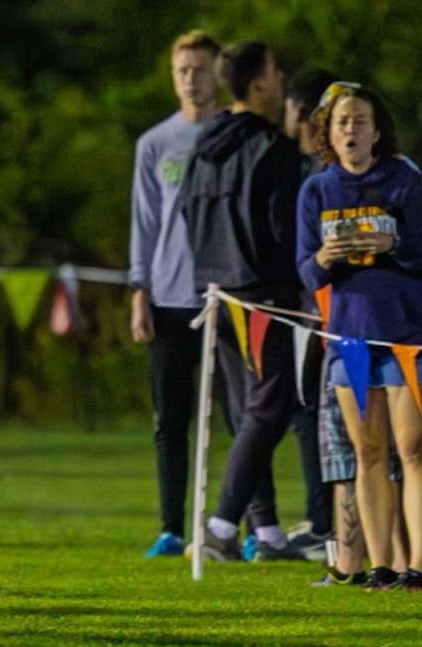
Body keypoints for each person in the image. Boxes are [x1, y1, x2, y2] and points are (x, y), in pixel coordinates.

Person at [182, 41, 305, 562]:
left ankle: (269, 533)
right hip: (262, 292)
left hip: (214, 289)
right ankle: (220, 527)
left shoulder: (204, 142)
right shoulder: (272, 148)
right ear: (258, 84)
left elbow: (188, 214)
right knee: (271, 407)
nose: (280, 85)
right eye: (276, 75)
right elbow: (283, 229)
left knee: (246, 411)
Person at [296, 82, 422, 590]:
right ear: (327, 130)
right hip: (349, 337)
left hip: (407, 334)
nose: (351, 129)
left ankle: (416, 566)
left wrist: (393, 242)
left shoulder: (405, 179)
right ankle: (381, 568)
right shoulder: (317, 190)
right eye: (342, 121)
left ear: (377, 130)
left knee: (413, 451)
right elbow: (305, 272)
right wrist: (324, 259)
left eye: (361, 120)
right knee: (367, 454)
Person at [128, 30, 222, 558]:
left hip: (226, 298)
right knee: (170, 419)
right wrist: (138, 289)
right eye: (183, 69)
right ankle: (171, 527)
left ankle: (244, 527)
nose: (191, 79)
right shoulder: (155, 144)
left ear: (217, 74)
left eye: (200, 69)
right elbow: (144, 222)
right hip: (167, 297)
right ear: (173, 75)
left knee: (240, 416)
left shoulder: (235, 135)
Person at [278, 68, 339, 560]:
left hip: (319, 313)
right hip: (318, 311)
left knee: (312, 412)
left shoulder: (320, 178)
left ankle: (325, 522)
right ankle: (327, 517)